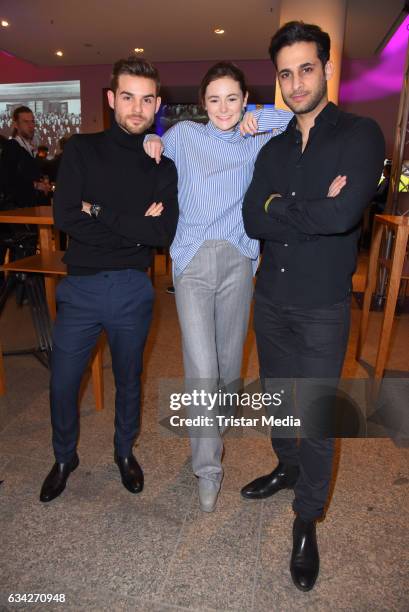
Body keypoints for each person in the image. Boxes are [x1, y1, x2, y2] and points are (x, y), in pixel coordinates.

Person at [241, 21, 385, 591]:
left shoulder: (360, 134)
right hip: (270, 297)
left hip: (323, 304)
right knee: (278, 395)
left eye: (306, 68)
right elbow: (253, 217)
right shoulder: (272, 147)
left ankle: (307, 519)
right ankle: (287, 463)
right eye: (285, 72)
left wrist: (283, 208)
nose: (296, 82)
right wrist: (301, 206)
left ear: (327, 67)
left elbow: (342, 216)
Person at [144, 61, 292, 512]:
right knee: (202, 366)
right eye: (214, 99)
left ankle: (216, 416)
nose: (223, 108)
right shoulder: (187, 137)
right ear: (202, 103)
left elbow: (304, 117)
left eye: (233, 98)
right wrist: (151, 139)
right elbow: (151, 145)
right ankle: (207, 467)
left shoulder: (257, 135)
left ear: (245, 99)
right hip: (191, 259)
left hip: (241, 259)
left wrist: (261, 116)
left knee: (229, 362)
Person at [39, 58, 178, 503]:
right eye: (128, 96)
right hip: (80, 287)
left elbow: (160, 234)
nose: (137, 108)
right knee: (61, 381)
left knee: (129, 379)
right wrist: (132, 227)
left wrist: (96, 210)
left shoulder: (162, 166)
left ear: (157, 104)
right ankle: (65, 456)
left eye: (146, 99)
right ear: (111, 98)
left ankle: (124, 452)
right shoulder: (80, 149)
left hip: (133, 288)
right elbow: (65, 217)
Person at [1, 106, 51, 207]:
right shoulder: (11, 147)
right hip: (18, 212)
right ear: (16, 125)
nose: (30, 125)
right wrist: (36, 185)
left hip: (34, 209)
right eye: (25, 122)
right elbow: (7, 180)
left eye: (32, 122)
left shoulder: (31, 149)